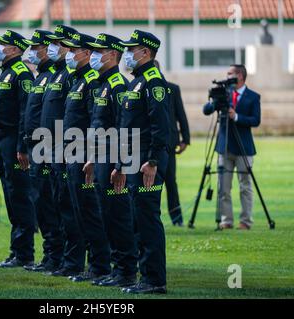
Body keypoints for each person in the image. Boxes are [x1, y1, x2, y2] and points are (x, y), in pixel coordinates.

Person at [83, 33, 138, 288]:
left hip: (114, 159)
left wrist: (121, 166)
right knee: (106, 214)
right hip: (101, 157)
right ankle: (116, 269)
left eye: (99, 51)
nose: (94, 56)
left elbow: (125, 128)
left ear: (112, 55)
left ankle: (126, 270)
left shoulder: (117, 85)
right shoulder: (103, 84)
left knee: (117, 216)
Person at [118, 30, 170, 294]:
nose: (127, 54)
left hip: (146, 162)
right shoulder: (136, 81)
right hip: (132, 160)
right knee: (137, 220)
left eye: (131, 49)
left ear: (145, 52)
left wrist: (152, 160)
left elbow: (160, 125)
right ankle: (145, 276)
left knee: (147, 219)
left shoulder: (153, 82)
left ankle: (154, 279)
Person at [60, 32, 112, 282]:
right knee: (78, 212)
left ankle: (100, 265)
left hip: (85, 156)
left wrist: (91, 155)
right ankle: (88, 265)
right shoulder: (78, 80)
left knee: (91, 212)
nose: (69, 54)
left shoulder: (92, 80)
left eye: (73, 50)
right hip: (73, 152)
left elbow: (95, 122)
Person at [0, 30, 36, 268]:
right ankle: (17, 250)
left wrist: (22, 147)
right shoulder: (6, 73)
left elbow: (24, 114)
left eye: (3, 45)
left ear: (16, 49)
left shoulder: (21, 74)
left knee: (19, 195)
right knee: (10, 194)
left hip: (13, 142)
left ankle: (25, 253)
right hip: (2, 141)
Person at [38, 24, 81, 277]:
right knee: (54, 204)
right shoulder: (55, 74)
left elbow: (71, 118)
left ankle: (72, 261)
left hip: (66, 149)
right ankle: (59, 258)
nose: (52, 48)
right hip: (48, 147)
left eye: (58, 44)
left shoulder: (69, 76)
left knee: (69, 207)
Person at [21, 29, 64, 273]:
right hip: (36, 147)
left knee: (51, 204)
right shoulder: (42, 77)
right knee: (41, 203)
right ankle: (50, 255)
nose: (32, 52)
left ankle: (57, 256)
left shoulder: (56, 76)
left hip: (51, 148)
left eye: (36, 47)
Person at [203, 64, 261, 230]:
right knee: (223, 187)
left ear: (240, 76)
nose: (227, 76)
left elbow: (256, 120)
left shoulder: (253, 96)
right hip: (224, 147)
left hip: (244, 147)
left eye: (230, 74)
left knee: (245, 186)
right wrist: (214, 102)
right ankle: (226, 220)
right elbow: (206, 110)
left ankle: (246, 221)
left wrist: (236, 116)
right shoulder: (224, 94)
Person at [154, 60, 191, 226]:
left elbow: (181, 115)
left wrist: (186, 139)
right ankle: (150, 218)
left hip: (169, 144)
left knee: (170, 182)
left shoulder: (172, 89)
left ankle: (177, 219)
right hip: (149, 145)